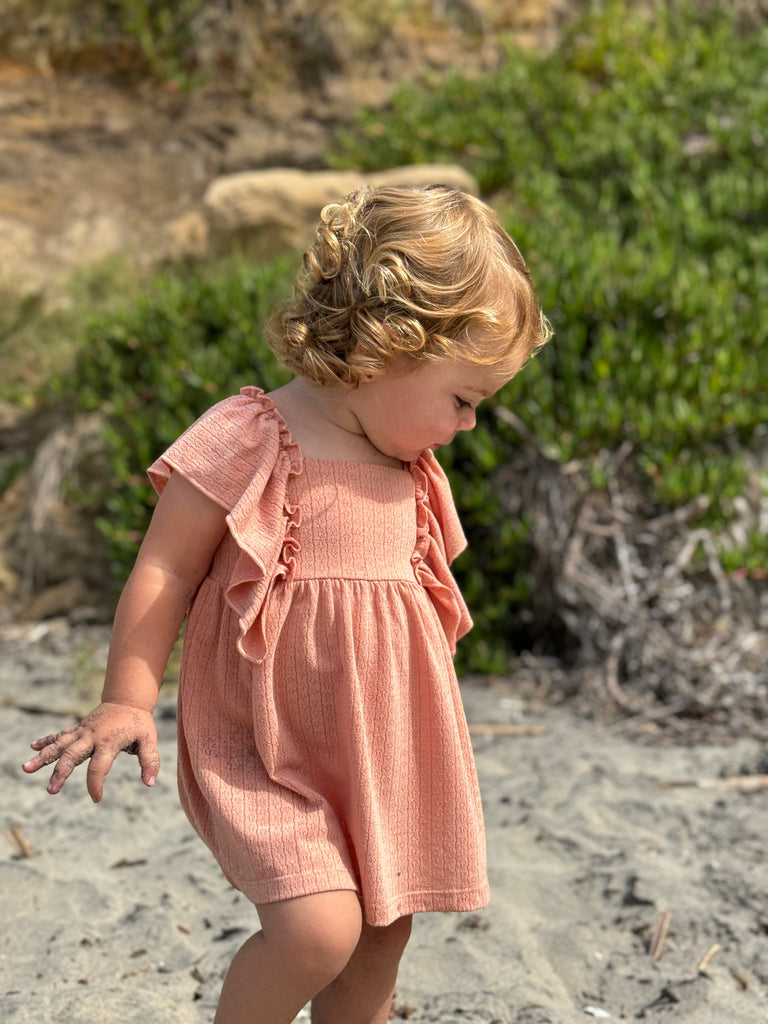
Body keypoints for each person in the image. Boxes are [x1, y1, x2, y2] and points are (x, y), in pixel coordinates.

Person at [23, 184, 551, 1024]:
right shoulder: (251, 436)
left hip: (382, 747)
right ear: (391, 346)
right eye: (463, 400)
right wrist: (126, 697)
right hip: (266, 748)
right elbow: (162, 569)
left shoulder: (410, 469)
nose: (469, 427)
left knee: (381, 935)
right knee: (315, 931)